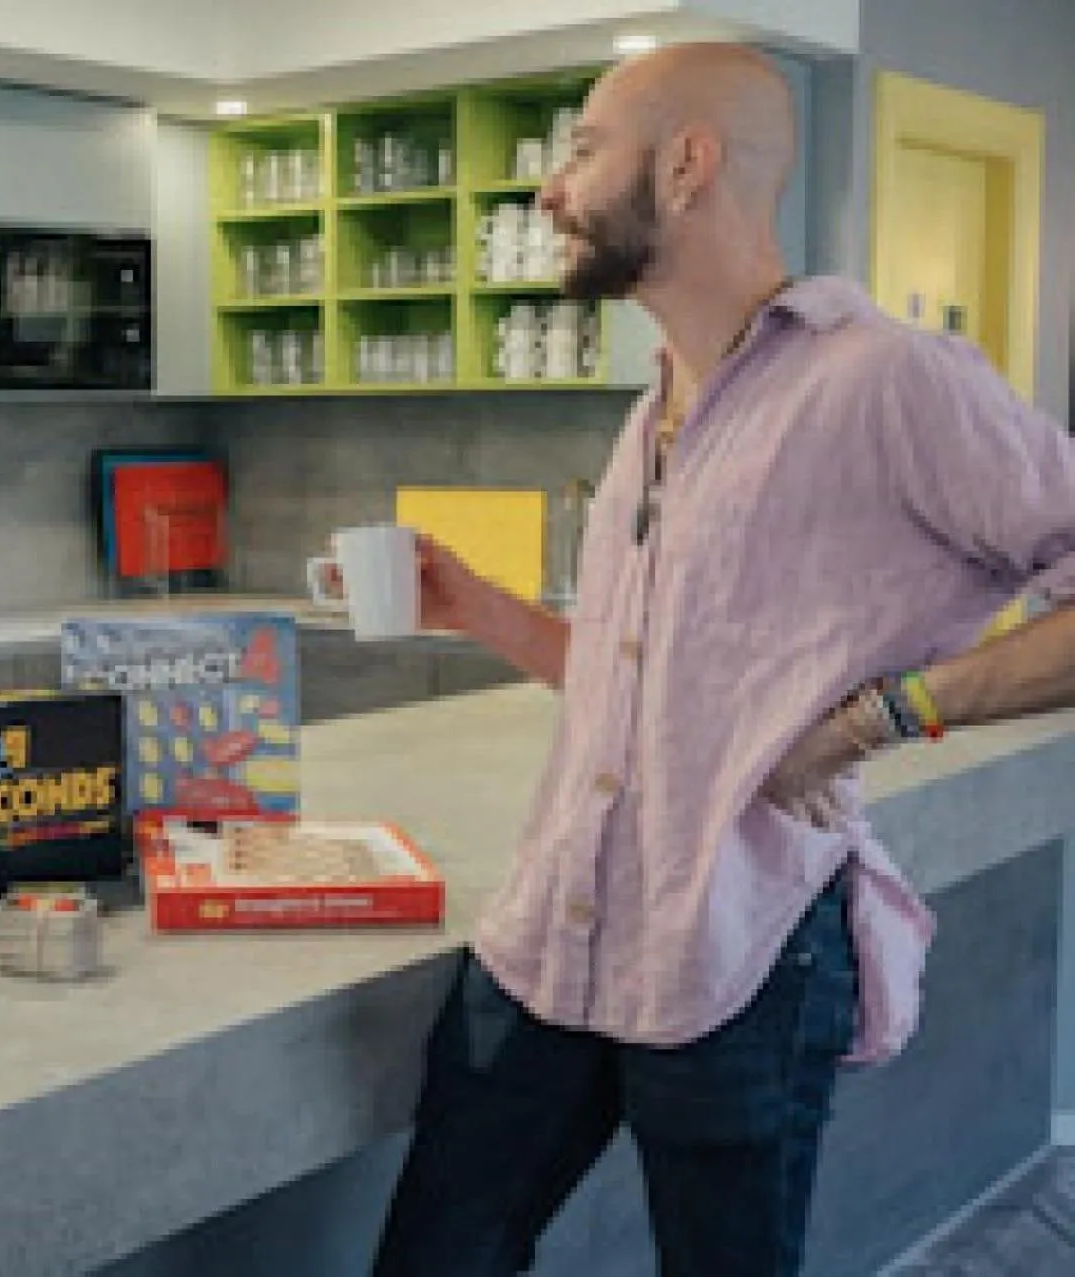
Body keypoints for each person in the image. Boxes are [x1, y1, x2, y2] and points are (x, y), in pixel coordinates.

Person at [370, 43, 1075, 1276]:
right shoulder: (655, 408)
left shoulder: (887, 379)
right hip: (555, 934)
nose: (550, 189)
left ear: (685, 165)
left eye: (584, 149)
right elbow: (650, 688)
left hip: (740, 949)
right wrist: (479, 609)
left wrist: (882, 714)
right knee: (435, 1256)